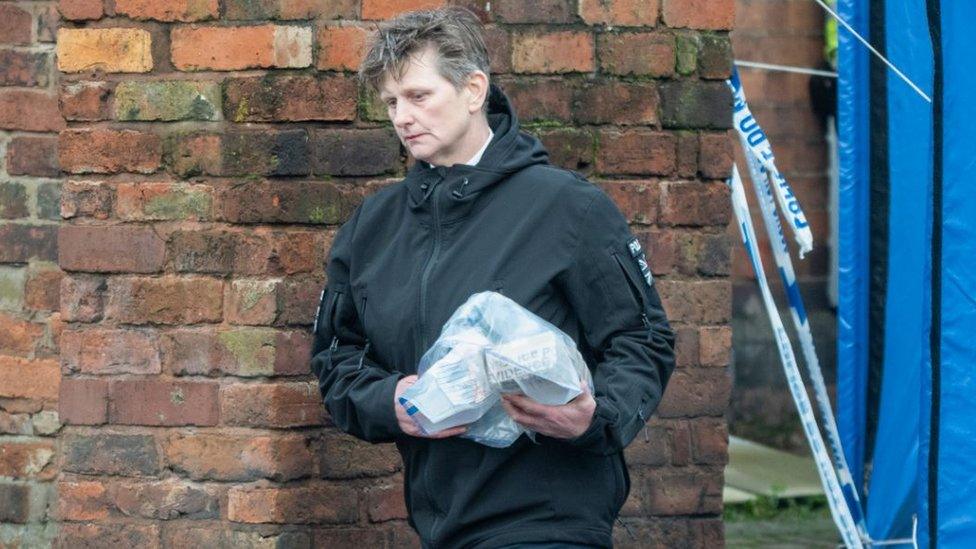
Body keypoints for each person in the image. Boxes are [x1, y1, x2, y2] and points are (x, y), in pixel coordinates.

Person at [310, 7, 675, 548]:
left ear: (474, 88)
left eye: (418, 96)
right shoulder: (372, 227)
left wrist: (597, 417)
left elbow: (642, 338)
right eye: (391, 102)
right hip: (442, 520)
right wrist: (390, 400)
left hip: (552, 518)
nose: (402, 117)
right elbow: (337, 359)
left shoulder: (566, 207)